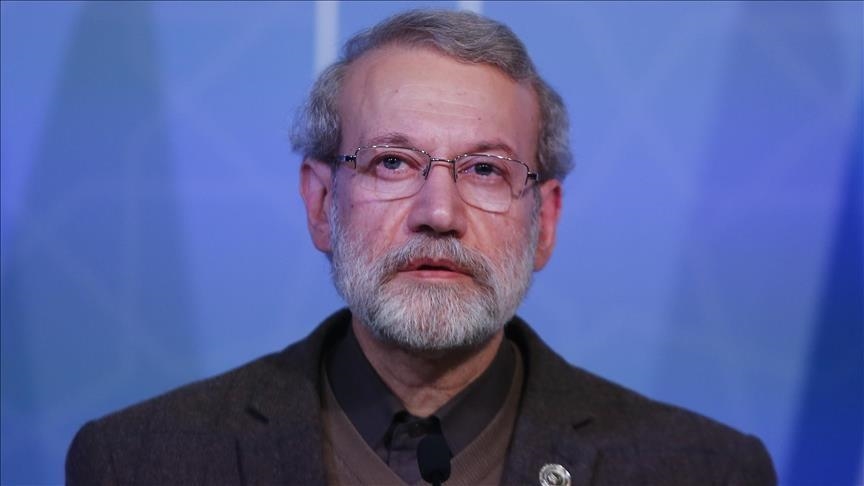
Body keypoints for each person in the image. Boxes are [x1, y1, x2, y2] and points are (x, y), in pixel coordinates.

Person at [66, 9, 776, 485]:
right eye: (393, 163)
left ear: (546, 221)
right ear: (320, 203)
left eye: (487, 170)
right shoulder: (139, 462)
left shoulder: (702, 470)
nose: (439, 213)